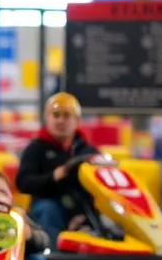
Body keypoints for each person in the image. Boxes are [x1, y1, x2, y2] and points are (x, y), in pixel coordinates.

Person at [15, 92, 100, 243]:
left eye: (66, 116)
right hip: (48, 205)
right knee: (49, 209)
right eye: (56, 115)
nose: (60, 121)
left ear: (77, 120)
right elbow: (23, 183)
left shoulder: (88, 151)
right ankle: (52, 256)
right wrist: (55, 175)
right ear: (47, 118)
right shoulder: (36, 148)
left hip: (82, 206)